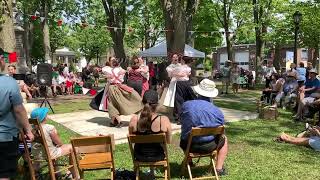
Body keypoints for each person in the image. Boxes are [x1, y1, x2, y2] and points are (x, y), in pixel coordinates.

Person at [0, 48, 34, 180]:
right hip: (4, 137)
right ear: (1, 60)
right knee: (3, 174)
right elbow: (19, 110)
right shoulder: (9, 83)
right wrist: (28, 130)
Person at [180, 97, 228, 176]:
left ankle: (189, 161)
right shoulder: (217, 111)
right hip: (211, 146)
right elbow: (221, 130)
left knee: (184, 136)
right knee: (224, 139)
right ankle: (219, 169)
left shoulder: (186, 105)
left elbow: (183, 124)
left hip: (190, 146)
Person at [30, 107, 78, 179]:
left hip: (37, 155)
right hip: (50, 154)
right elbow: (59, 143)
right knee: (72, 147)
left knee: (53, 149)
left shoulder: (31, 129)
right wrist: (59, 143)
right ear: (44, 117)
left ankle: (57, 172)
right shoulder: (49, 128)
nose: (47, 116)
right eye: (46, 115)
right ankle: (72, 172)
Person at [129, 90, 172, 162]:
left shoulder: (134, 120)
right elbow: (168, 141)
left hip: (140, 156)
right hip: (158, 156)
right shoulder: (164, 120)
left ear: (142, 102)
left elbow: (131, 140)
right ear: (157, 104)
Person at [104, 58, 143, 127]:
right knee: (118, 103)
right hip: (120, 87)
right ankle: (113, 121)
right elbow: (127, 70)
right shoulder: (122, 70)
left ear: (112, 64)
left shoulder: (109, 70)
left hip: (112, 88)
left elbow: (105, 74)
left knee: (112, 105)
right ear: (119, 64)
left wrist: (108, 76)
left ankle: (117, 121)